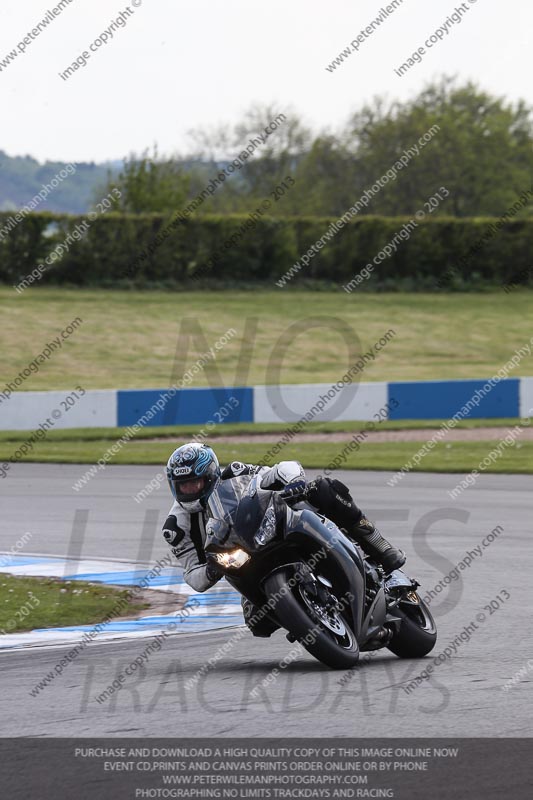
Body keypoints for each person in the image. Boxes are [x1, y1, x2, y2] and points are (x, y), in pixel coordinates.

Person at [162, 442, 405, 636]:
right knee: (257, 623)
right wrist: (212, 571)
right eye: (183, 486)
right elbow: (192, 574)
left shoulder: (236, 473)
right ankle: (305, 619)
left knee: (323, 489)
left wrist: (295, 482)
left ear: (211, 474)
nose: (190, 490)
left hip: (273, 527)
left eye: (195, 482)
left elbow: (281, 469)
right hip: (243, 562)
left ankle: (376, 543)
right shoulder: (176, 527)